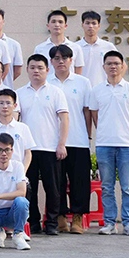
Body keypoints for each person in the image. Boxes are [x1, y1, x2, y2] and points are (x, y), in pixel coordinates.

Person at [91, 49, 129, 236]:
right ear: (104, 67)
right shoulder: (97, 90)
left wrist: (126, 131)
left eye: (116, 63)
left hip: (127, 144)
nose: (113, 66)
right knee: (107, 186)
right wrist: (106, 132)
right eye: (109, 63)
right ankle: (110, 223)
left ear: (122, 66)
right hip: (104, 144)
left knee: (128, 186)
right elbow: (95, 115)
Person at [17, 54, 70, 235]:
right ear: (27, 70)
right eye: (32, 67)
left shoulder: (56, 92)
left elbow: (64, 119)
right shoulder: (19, 93)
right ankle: (33, 222)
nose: (36, 71)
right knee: (29, 187)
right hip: (28, 150)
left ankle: (52, 223)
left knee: (53, 188)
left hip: (50, 147)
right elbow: (16, 120)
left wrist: (61, 144)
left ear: (47, 70)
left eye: (40, 68)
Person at [48, 45, 92, 233]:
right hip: (54, 141)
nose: (61, 61)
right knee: (56, 182)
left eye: (65, 58)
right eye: (57, 58)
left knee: (79, 181)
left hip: (78, 139)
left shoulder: (83, 82)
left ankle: (77, 218)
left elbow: (87, 111)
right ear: (51, 62)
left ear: (71, 60)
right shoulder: (47, 82)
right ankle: (60, 217)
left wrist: (88, 135)